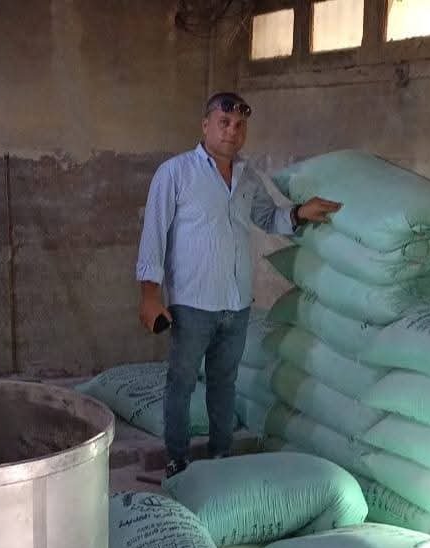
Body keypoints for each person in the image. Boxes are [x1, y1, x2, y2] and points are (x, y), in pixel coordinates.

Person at [136, 91, 341, 478]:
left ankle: (220, 458)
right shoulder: (175, 173)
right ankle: (177, 461)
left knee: (224, 383)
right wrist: (149, 293)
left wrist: (300, 213)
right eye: (224, 123)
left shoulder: (248, 178)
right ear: (206, 126)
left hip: (236, 302)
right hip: (192, 303)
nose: (232, 131)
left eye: (239, 125)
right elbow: (154, 234)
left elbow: (269, 218)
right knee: (181, 382)